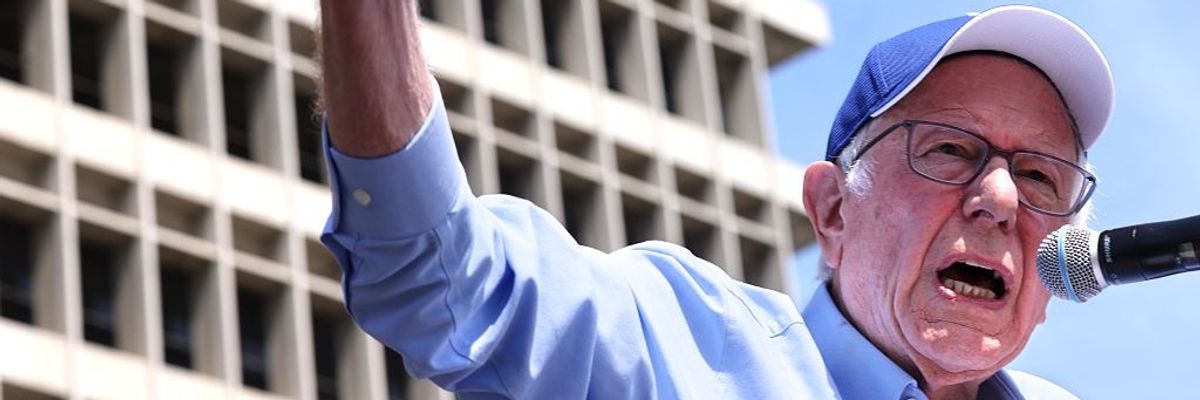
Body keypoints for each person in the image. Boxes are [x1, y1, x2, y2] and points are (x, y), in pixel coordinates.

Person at [317, 3, 1111, 399]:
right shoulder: (678, 345)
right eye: (949, 151)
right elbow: (436, 275)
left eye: (1042, 176)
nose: (1001, 197)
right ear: (832, 211)